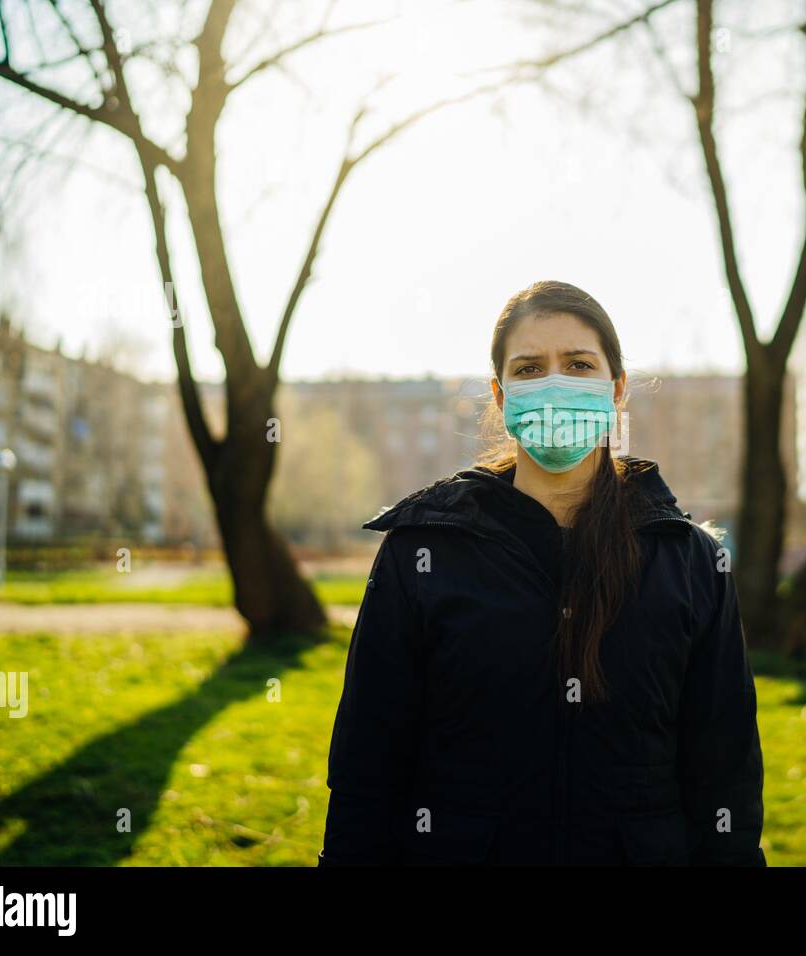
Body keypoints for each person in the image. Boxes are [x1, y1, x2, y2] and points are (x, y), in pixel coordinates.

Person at [319, 279, 765, 865]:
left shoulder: (691, 563)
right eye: (529, 370)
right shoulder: (422, 552)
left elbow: (723, 778)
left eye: (579, 364)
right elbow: (368, 768)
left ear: (616, 390)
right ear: (502, 399)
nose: (555, 384)